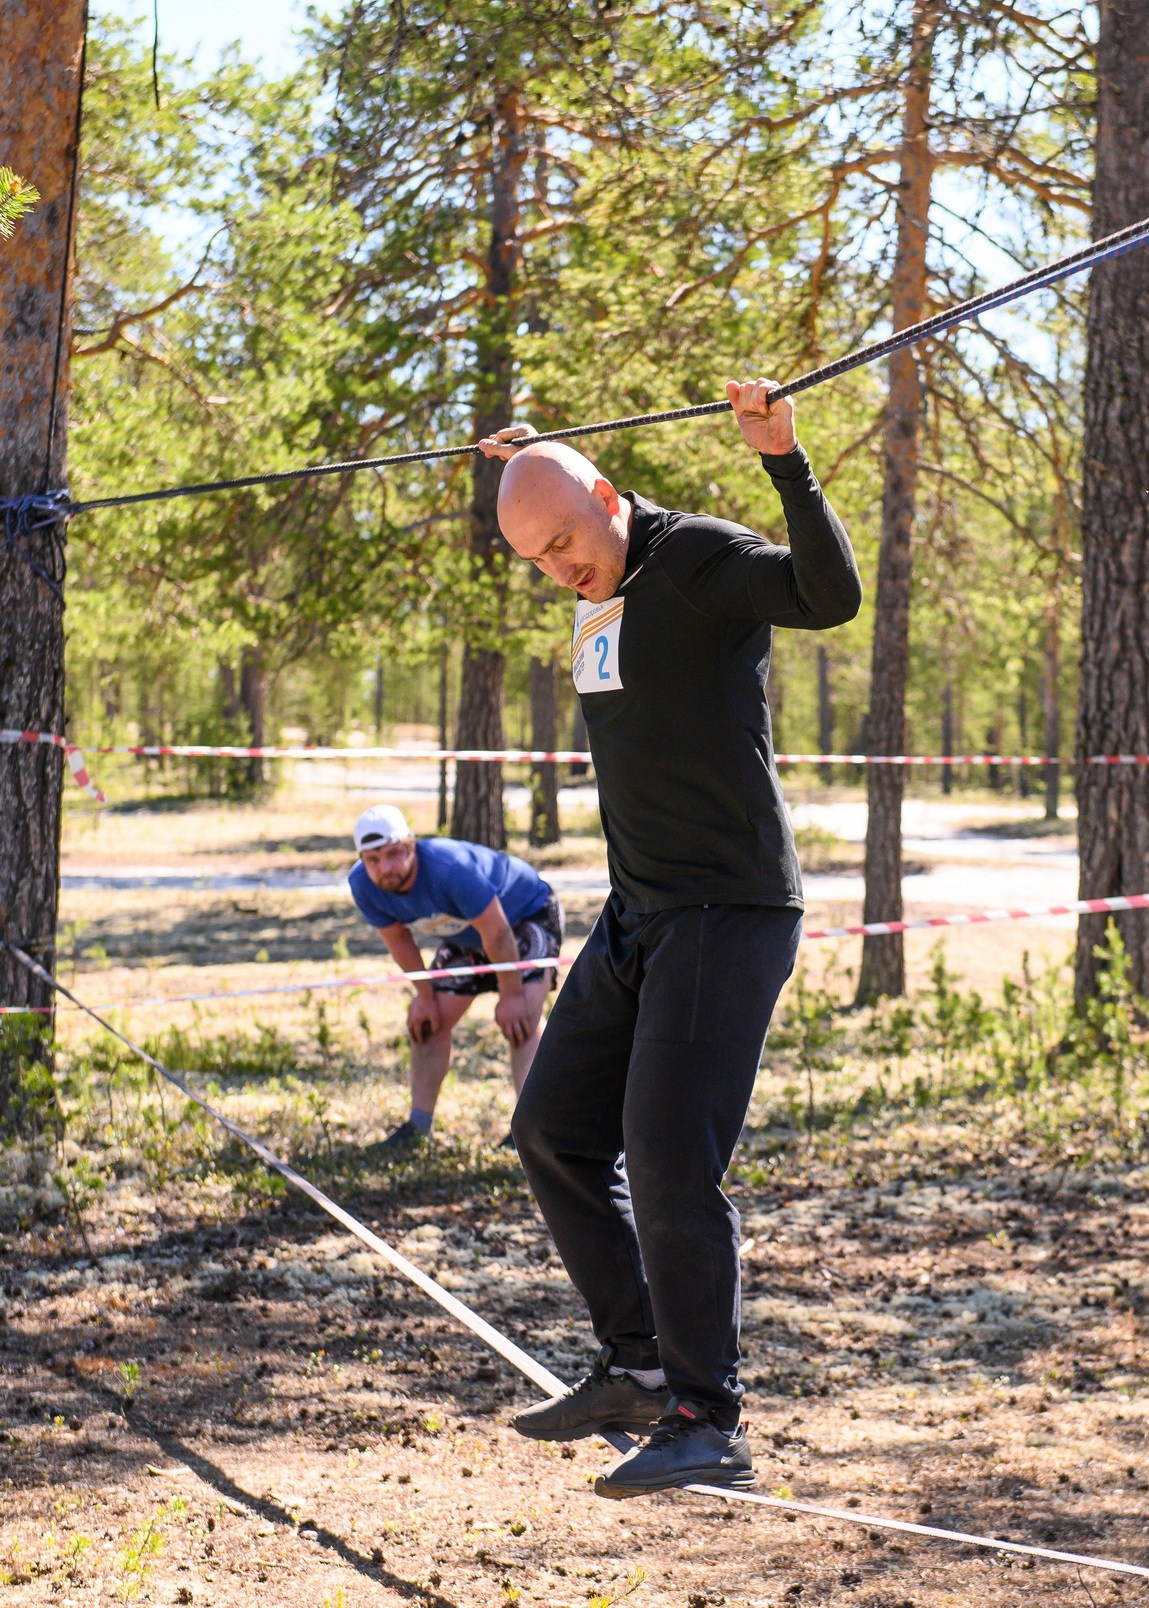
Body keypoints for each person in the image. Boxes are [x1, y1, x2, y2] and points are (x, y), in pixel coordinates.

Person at [475, 379, 862, 1497]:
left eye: (563, 542)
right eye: (535, 559)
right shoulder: (592, 563)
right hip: (639, 910)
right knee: (551, 1131)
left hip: (728, 908)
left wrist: (785, 461)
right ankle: (639, 1368)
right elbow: (554, 502)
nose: (559, 569)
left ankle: (708, 1414)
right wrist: (533, 460)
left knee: (669, 1157)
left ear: (605, 496)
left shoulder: (697, 559)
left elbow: (825, 596)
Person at [348, 805, 564, 1149]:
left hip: (524, 916)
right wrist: (425, 996)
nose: (385, 868)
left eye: (393, 854)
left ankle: (531, 1136)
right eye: (373, 860)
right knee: (428, 1023)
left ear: (410, 846)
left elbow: (498, 934)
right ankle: (417, 1130)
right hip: (467, 934)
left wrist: (510, 996)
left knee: (520, 1021)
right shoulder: (363, 884)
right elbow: (399, 941)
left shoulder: (450, 868)